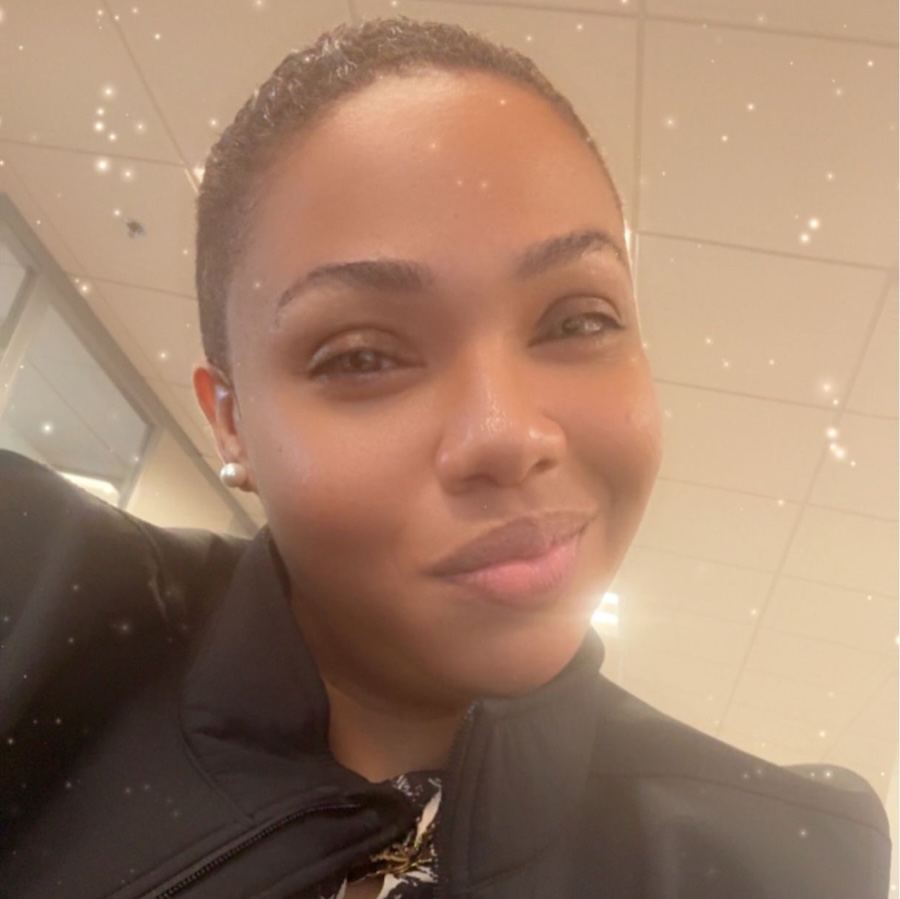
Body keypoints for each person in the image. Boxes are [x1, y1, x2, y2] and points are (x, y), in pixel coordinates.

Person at [0, 16, 890, 899]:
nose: (509, 433)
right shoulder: (42, 611)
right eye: (360, 356)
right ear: (230, 423)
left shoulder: (775, 862)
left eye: (578, 320)